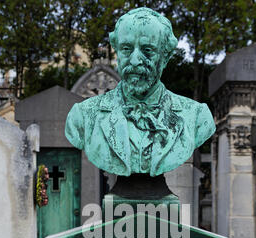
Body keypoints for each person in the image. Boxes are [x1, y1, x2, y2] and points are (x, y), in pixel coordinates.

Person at [65, 8, 215, 177]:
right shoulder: (83, 116)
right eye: (127, 49)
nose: (135, 60)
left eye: (147, 50)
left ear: (165, 57)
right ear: (117, 52)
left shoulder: (197, 117)